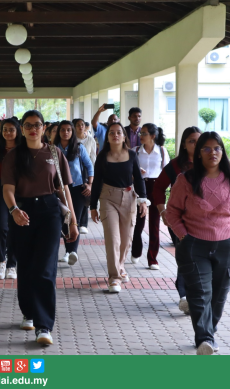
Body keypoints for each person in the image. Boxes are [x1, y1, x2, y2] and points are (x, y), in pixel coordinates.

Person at [166, 131, 230, 355]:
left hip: (226, 246)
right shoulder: (186, 180)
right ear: (198, 153)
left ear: (222, 152)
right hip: (195, 246)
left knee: (219, 294)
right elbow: (172, 211)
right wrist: (183, 235)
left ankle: (209, 332)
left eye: (217, 148)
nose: (212, 152)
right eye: (206, 148)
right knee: (199, 293)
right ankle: (204, 338)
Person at [2, 110, 78, 345]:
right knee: (26, 266)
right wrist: (14, 210)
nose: (33, 129)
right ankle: (28, 312)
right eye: (28, 125)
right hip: (22, 212)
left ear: (44, 128)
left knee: (45, 268)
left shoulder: (54, 154)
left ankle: (44, 326)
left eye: (37, 125)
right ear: (22, 129)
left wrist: (73, 221)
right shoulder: (14, 155)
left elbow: (64, 190)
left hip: (49, 212)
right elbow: (8, 188)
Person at [90, 122, 147, 293]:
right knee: (113, 239)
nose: (115, 135)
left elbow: (138, 178)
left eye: (119, 132)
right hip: (108, 198)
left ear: (124, 136)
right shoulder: (102, 156)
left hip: (129, 198)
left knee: (126, 239)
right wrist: (93, 206)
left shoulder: (131, 155)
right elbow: (97, 181)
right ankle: (114, 277)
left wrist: (143, 200)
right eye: (111, 133)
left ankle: (121, 268)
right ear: (107, 137)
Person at [152, 126, 202, 315]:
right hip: (179, 221)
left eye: (199, 141)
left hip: (204, 222)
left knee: (198, 258)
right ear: (184, 144)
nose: (196, 145)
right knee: (186, 256)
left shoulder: (210, 164)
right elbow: (158, 188)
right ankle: (185, 296)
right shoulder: (175, 166)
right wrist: (162, 211)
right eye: (192, 141)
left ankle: (194, 294)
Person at [130, 123, 170, 270]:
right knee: (138, 224)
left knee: (154, 224)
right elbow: (129, 170)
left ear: (153, 136)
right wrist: (135, 172)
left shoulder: (162, 151)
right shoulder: (135, 151)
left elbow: (167, 173)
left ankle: (152, 259)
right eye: (141, 133)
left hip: (156, 188)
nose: (141, 136)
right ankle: (136, 251)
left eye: (144, 134)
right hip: (140, 187)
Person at [54, 120, 94, 266]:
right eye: (63, 130)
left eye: (68, 130)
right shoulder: (53, 148)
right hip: (58, 189)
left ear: (72, 132)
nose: (65, 132)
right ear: (59, 132)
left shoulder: (78, 147)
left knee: (74, 219)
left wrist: (90, 184)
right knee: (64, 219)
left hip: (76, 188)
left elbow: (90, 166)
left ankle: (73, 252)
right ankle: (66, 251)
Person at [0, 119, 22, 280]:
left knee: (16, 228)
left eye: (11, 130)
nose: (8, 133)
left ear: (17, 131)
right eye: (5, 130)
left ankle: (12, 264)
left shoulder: (23, 149)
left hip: (20, 193)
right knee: (1, 227)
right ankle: (1, 260)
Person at [73, 118, 97, 235]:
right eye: (78, 125)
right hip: (75, 170)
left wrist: (92, 174)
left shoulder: (90, 140)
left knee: (85, 194)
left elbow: (93, 157)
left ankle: (83, 223)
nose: (80, 127)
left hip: (87, 171)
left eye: (82, 124)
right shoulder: (72, 140)